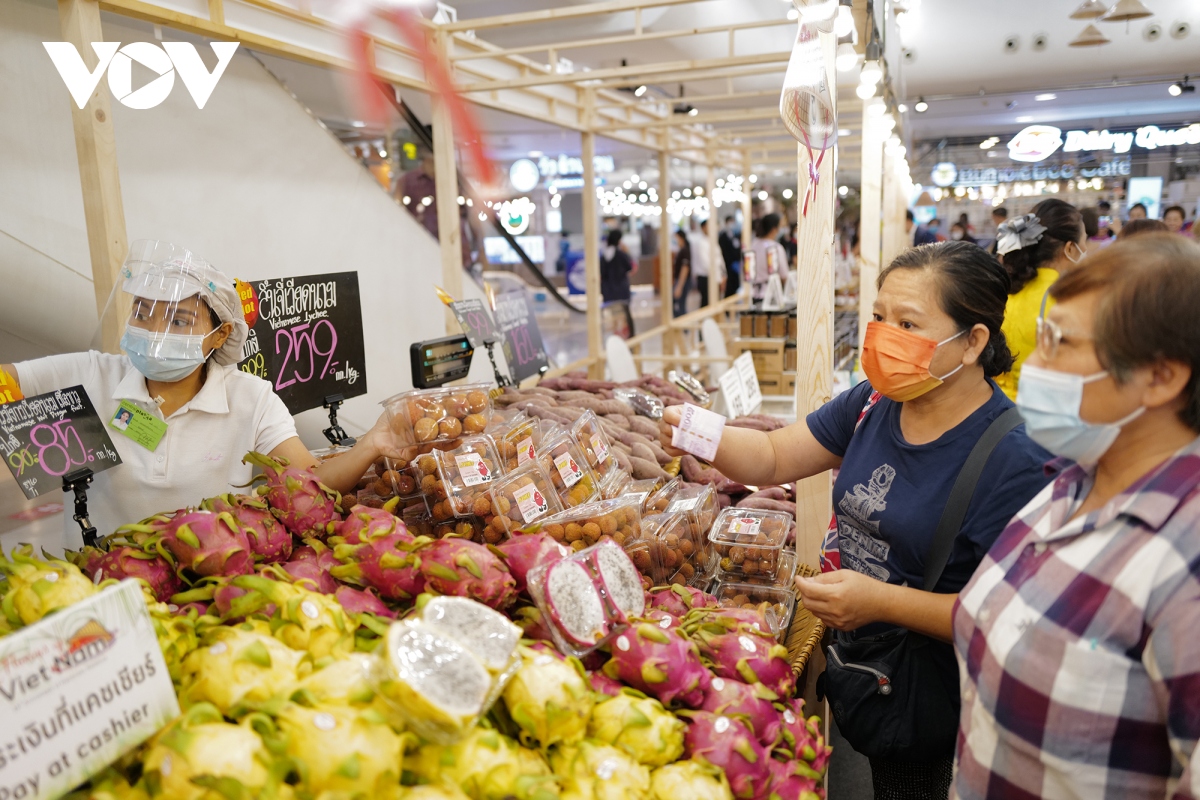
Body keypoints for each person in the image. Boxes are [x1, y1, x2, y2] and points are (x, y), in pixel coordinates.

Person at [663, 242, 1053, 798]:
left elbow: (1006, 617)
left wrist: (879, 601)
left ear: (973, 342)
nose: (881, 335)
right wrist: (694, 431)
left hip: (939, 697)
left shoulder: (1012, 459)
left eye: (907, 323)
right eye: (878, 317)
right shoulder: (874, 402)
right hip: (867, 666)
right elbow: (774, 457)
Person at [952, 234, 1200, 799]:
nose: (1035, 363)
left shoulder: (1185, 564)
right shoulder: (1069, 478)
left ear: (1162, 376)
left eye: (1058, 342)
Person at [2, 241, 402, 547]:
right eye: (142, 312)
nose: (154, 331)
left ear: (220, 334)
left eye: (179, 319)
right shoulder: (92, 374)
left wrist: (371, 443)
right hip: (102, 572)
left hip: (214, 575)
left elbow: (308, 484)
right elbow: (8, 379)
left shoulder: (252, 399)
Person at [993, 199, 1086, 401]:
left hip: (997, 408)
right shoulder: (1067, 299)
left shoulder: (1004, 289)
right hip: (1041, 409)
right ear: (1070, 249)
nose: (1085, 251)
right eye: (1083, 243)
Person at [600, 228, 635, 336]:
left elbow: (601, 273)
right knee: (624, 317)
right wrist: (627, 252)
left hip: (608, 291)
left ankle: (615, 337)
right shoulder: (621, 254)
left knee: (613, 316)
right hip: (621, 291)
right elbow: (630, 267)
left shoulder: (603, 255)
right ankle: (624, 339)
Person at [689, 219, 726, 308]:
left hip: (717, 276)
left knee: (716, 303)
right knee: (706, 303)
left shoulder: (713, 241)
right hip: (706, 278)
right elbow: (706, 264)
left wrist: (724, 275)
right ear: (703, 228)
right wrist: (718, 277)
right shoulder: (701, 243)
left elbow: (720, 259)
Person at [750, 214, 788, 300]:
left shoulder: (753, 245)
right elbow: (784, 274)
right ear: (774, 229)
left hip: (754, 293)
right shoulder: (776, 248)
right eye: (781, 226)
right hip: (771, 294)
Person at [719, 215, 742, 297]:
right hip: (728, 265)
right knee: (729, 287)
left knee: (735, 285)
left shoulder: (734, 235)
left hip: (735, 265)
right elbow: (724, 251)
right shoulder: (723, 236)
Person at [671, 229, 691, 317]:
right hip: (679, 281)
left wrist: (679, 286)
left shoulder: (685, 250)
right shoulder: (681, 250)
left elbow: (685, 268)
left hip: (683, 281)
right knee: (678, 304)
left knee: (681, 305)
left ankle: (684, 328)